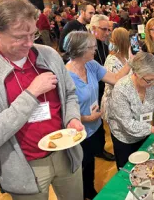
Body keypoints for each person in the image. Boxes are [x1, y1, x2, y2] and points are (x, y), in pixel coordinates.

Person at [0, 0, 84, 199]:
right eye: (19, 37)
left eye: (33, 34)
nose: (29, 43)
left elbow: (70, 94)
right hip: (24, 166)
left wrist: (72, 118)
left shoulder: (49, 55)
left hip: (65, 153)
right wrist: (31, 93)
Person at [64, 31, 129, 199]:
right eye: (92, 47)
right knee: (81, 166)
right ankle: (83, 193)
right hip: (78, 132)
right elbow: (62, 112)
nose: (95, 50)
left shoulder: (91, 65)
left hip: (95, 127)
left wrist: (132, 62)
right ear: (80, 50)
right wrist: (85, 118)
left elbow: (114, 78)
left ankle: (89, 190)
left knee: (91, 162)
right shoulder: (65, 76)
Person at [88, 14, 115, 161]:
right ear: (93, 29)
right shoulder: (88, 46)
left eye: (108, 29)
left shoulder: (104, 44)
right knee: (95, 120)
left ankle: (99, 147)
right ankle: (98, 150)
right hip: (93, 90)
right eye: (104, 29)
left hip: (103, 85)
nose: (107, 33)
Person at [102, 27, 132, 121]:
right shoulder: (111, 60)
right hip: (115, 104)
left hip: (125, 102)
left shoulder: (125, 56)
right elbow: (117, 83)